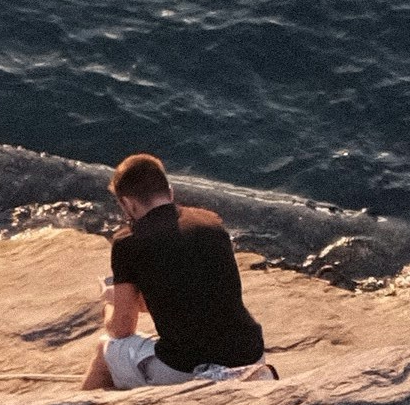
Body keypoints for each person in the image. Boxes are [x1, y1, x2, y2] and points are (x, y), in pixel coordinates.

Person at [86, 154, 271, 387]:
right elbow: (190, 293)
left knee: (106, 350)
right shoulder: (212, 223)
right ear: (170, 192)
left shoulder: (128, 242)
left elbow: (122, 329)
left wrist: (110, 304)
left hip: (186, 367)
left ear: (128, 204)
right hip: (249, 355)